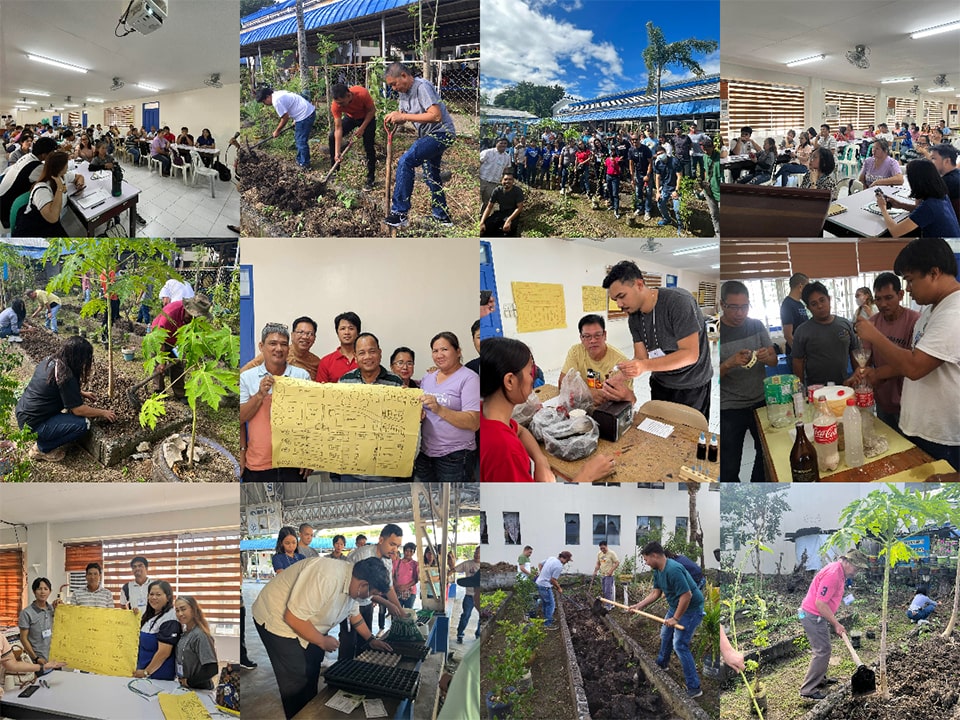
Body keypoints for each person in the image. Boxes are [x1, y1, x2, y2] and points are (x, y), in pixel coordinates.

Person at [853, 239, 960, 469]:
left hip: (943, 436)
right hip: (921, 427)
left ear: (934, 273)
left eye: (911, 280)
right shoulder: (932, 310)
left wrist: (873, 335)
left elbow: (913, 367)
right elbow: (910, 359)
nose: (909, 288)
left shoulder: (954, 313)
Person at [252, 556, 392, 719]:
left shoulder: (354, 586)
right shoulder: (326, 576)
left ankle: (310, 711)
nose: (369, 599)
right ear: (363, 585)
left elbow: (355, 616)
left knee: (312, 666)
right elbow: (292, 618)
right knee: (295, 678)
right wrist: (322, 640)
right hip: (277, 620)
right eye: (371, 594)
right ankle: (297, 714)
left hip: (306, 621)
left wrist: (371, 639)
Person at [480, 336, 615, 482]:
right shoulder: (505, 450)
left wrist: (541, 461)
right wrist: (586, 475)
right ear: (510, 381)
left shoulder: (486, 413)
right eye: (530, 372)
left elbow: (520, 430)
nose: (533, 379)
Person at [603, 261, 713, 422]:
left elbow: (690, 354)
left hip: (692, 385)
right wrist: (620, 377)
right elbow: (641, 358)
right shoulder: (634, 317)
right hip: (661, 383)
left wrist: (644, 366)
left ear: (639, 284)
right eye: (615, 300)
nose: (619, 305)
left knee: (689, 437)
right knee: (661, 430)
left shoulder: (678, 302)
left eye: (622, 296)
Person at [14, 335, 116, 461]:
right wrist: (102, 412)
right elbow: (78, 410)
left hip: (24, 414)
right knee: (83, 424)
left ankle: (46, 434)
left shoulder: (50, 361)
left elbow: (54, 387)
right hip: (34, 424)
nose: (86, 362)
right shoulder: (66, 375)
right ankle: (41, 448)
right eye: (85, 358)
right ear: (78, 358)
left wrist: (81, 393)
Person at [383, 63, 457, 228]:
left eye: (394, 84)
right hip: (428, 136)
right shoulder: (403, 92)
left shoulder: (422, 87)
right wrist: (394, 117)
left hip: (441, 133)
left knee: (406, 161)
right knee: (432, 176)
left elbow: (436, 116)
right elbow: (403, 115)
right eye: (390, 86)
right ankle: (442, 217)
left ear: (403, 76)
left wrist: (404, 117)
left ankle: (400, 213)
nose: (393, 88)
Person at [629, 542, 705, 699]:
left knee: (680, 645)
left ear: (654, 555)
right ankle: (662, 664)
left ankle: (694, 688)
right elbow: (655, 593)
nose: (646, 563)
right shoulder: (657, 570)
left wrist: (676, 618)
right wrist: (639, 605)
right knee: (666, 634)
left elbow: (687, 595)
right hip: (676, 606)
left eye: (646, 559)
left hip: (691, 609)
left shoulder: (673, 569)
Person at [719, 281, 778, 482]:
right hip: (729, 407)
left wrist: (766, 357)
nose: (739, 313)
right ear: (722, 305)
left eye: (744, 307)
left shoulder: (756, 325)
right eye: (733, 307)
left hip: (760, 401)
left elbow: (774, 360)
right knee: (728, 463)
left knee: (765, 454)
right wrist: (728, 364)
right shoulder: (713, 332)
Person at [848, 272, 919, 432]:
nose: (883, 304)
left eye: (888, 298)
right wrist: (856, 377)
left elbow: (913, 363)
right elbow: (865, 359)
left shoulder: (915, 321)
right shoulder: (872, 323)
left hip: (907, 401)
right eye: (878, 299)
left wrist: (877, 374)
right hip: (881, 399)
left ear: (900, 295)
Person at [240, 323, 312, 481]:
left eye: (284, 344)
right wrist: (259, 395)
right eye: (273, 343)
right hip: (258, 463)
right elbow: (241, 418)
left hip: (294, 463)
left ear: (289, 348)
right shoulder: (247, 377)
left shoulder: (302, 376)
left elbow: (309, 420)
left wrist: (308, 454)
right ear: (261, 346)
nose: (278, 349)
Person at [797, 550, 868, 700]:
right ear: (847, 562)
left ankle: (820, 678)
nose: (857, 571)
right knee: (822, 650)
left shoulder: (840, 571)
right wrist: (836, 624)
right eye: (856, 567)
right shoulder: (833, 575)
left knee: (823, 648)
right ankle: (808, 689)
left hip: (816, 615)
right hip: (813, 615)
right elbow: (820, 603)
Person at [416, 331, 480, 483]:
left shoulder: (469, 378)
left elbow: (474, 422)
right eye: (435, 351)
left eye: (444, 349)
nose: (439, 355)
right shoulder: (428, 378)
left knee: (453, 503)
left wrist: (439, 409)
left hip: (455, 456)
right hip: (426, 453)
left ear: (458, 352)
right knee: (430, 502)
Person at [346, 525, 406, 656]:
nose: (394, 550)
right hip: (348, 602)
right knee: (348, 642)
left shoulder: (387, 560)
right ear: (381, 540)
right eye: (392, 544)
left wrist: (401, 611)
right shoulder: (363, 555)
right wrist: (387, 603)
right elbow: (358, 590)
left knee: (365, 641)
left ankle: (361, 668)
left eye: (398, 546)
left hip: (366, 604)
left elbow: (388, 587)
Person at [559, 314, 636, 406]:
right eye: (587, 336)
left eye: (597, 335)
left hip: (608, 409)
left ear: (605, 335)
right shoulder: (576, 351)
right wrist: (588, 393)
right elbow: (562, 384)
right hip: (583, 405)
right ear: (581, 338)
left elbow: (630, 400)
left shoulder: (620, 362)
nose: (593, 341)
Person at [791, 282, 857, 388]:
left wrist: (856, 378)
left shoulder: (845, 324)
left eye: (822, 300)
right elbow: (798, 362)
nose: (820, 306)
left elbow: (855, 352)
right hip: (816, 390)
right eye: (814, 304)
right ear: (808, 308)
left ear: (829, 299)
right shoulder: (802, 331)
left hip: (844, 386)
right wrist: (800, 390)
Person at [149, 295, 212, 399]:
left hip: (177, 341)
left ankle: (180, 394)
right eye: (191, 316)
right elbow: (159, 338)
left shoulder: (193, 320)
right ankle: (159, 392)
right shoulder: (170, 314)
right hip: (159, 338)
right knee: (158, 366)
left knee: (178, 365)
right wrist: (162, 361)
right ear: (187, 308)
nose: (193, 319)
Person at [877, 159, 960, 237]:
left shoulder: (929, 206)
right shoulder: (941, 195)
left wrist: (883, 208)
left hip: (944, 250)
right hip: (953, 244)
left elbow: (895, 232)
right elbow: (919, 210)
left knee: (886, 235)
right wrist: (900, 205)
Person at [329, 83, 377, 190]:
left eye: (342, 103)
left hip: (367, 118)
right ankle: (335, 172)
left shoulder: (362, 93)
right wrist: (337, 152)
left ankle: (370, 178)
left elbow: (372, 111)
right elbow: (338, 128)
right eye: (338, 103)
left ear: (348, 95)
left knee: (368, 146)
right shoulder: (336, 105)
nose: (340, 106)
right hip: (351, 118)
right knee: (332, 137)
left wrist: (362, 128)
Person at [242, 316, 322, 380]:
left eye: (310, 334)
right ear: (292, 335)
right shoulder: (277, 353)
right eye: (300, 332)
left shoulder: (316, 362)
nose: (305, 337)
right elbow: (243, 373)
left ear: (314, 338)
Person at [15, 151, 73, 237]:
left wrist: (79, 182)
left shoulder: (61, 176)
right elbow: (53, 217)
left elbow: (78, 177)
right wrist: (59, 189)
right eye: (67, 164)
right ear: (60, 167)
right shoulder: (41, 189)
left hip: (50, 224)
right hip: (34, 229)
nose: (68, 166)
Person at [256, 87, 316, 169]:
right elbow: (293, 103)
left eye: (264, 101)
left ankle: (305, 164)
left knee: (301, 141)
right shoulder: (278, 93)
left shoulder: (276, 101)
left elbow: (285, 118)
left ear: (267, 97)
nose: (265, 104)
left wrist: (277, 131)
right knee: (299, 139)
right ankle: (300, 160)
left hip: (305, 116)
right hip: (305, 113)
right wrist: (296, 119)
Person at [134, 580, 179, 681]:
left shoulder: (170, 618)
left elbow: (164, 652)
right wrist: (132, 616)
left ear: (168, 597)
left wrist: (146, 672)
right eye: (151, 594)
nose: (154, 597)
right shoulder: (150, 615)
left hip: (159, 677)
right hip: (143, 675)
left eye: (158, 594)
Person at [174, 596, 218, 689]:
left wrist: (189, 682)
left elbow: (212, 669)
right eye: (177, 610)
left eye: (183, 609)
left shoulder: (200, 635)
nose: (180, 613)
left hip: (200, 689)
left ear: (193, 610)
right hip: (185, 686)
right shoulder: (186, 632)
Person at [19, 578, 56, 667]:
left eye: (46, 589)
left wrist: (61, 606)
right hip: (38, 661)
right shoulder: (26, 613)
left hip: (54, 659)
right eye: (39, 589)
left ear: (50, 591)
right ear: (34, 591)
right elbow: (23, 639)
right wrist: (36, 658)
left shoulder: (52, 609)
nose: (42, 592)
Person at [316, 311, 361, 382]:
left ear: (358, 332)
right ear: (337, 332)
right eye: (343, 329)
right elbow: (321, 391)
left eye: (351, 328)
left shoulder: (365, 359)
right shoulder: (326, 362)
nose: (347, 332)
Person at [480, 170, 524, 236]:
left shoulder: (517, 191)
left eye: (510, 179)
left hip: (512, 215)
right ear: (501, 180)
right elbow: (489, 207)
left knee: (506, 231)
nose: (507, 181)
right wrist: (482, 222)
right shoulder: (497, 191)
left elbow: (519, 208)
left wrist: (508, 220)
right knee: (485, 227)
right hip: (501, 213)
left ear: (513, 181)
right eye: (505, 179)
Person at [535, 551, 572, 629]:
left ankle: (547, 619)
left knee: (546, 603)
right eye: (567, 560)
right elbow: (553, 580)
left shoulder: (551, 558)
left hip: (539, 583)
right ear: (563, 558)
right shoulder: (559, 566)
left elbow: (540, 564)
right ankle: (548, 624)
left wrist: (543, 574)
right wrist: (559, 588)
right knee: (551, 605)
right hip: (545, 586)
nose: (566, 562)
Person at [780, 272, 809, 364]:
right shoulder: (787, 304)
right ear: (800, 287)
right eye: (807, 287)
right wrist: (800, 353)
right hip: (797, 355)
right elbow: (788, 335)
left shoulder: (800, 304)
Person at [454, 547, 481, 643]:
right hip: (469, 596)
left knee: (483, 617)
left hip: (481, 596)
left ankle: (479, 634)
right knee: (466, 615)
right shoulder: (467, 564)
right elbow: (454, 569)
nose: (477, 555)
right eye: (476, 552)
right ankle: (460, 634)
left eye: (479, 553)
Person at [653, 147, 683, 229]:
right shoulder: (658, 164)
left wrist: (676, 190)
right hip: (665, 188)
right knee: (660, 204)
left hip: (675, 188)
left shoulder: (674, 161)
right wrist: (658, 192)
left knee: (677, 209)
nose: (661, 155)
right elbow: (657, 178)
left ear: (665, 152)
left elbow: (679, 176)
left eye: (662, 153)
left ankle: (681, 226)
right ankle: (667, 219)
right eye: (658, 154)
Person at [929, 143, 959, 220]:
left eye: (933, 159)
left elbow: (921, 207)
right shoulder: (956, 175)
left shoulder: (946, 182)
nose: (930, 163)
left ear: (946, 161)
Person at [480, 138, 512, 209]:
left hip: (494, 182)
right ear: (496, 143)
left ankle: (481, 217)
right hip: (482, 180)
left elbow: (506, 169)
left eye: (505, 143)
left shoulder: (507, 157)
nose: (503, 145)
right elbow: (479, 163)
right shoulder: (487, 152)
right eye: (501, 143)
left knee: (487, 202)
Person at [628, 132, 654, 220]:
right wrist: (632, 178)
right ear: (631, 141)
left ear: (639, 139)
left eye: (636, 139)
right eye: (633, 140)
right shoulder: (631, 150)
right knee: (638, 192)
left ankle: (647, 211)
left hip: (647, 173)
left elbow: (651, 163)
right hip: (638, 174)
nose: (634, 141)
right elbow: (631, 164)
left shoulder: (645, 149)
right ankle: (640, 208)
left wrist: (647, 175)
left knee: (648, 193)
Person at [700, 137, 722, 236]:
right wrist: (705, 183)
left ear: (713, 147)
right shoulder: (704, 156)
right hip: (709, 191)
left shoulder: (720, 158)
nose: (705, 151)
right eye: (703, 148)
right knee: (714, 214)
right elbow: (705, 170)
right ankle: (718, 234)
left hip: (720, 191)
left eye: (707, 149)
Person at [592, 541, 619, 608]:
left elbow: (617, 562)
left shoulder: (611, 553)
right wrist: (595, 571)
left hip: (609, 575)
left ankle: (608, 606)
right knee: (604, 590)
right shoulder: (600, 554)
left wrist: (611, 571)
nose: (602, 550)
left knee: (608, 590)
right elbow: (598, 563)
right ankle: (609, 603)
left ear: (606, 546)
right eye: (601, 548)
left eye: (603, 548)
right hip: (602, 574)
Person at [393, 542, 419, 609]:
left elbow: (416, 579)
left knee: (408, 613)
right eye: (407, 551)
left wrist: (405, 586)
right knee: (397, 612)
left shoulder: (415, 564)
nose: (408, 553)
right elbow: (392, 575)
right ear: (404, 551)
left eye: (411, 551)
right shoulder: (397, 562)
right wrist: (397, 586)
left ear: (413, 553)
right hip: (397, 591)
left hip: (410, 592)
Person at [604, 150, 623, 218]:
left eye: (613, 151)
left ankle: (616, 209)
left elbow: (620, 166)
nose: (612, 152)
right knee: (610, 191)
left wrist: (616, 161)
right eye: (611, 151)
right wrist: (604, 178)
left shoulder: (617, 159)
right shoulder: (607, 159)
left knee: (615, 193)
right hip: (608, 176)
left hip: (615, 177)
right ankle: (612, 205)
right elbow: (605, 168)